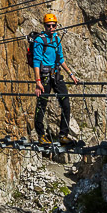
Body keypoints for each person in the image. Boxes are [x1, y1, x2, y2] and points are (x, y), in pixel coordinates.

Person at [33, 12, 80, 144]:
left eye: (53, 25)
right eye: (48, 26)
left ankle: (63, 135)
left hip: (56, 75)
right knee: (42, 105)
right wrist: (38, 82)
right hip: (44, 77)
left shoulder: (57, 39)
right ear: (45, 26)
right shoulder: (39, 40)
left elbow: (60, 59)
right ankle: (41, 135)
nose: (51, 28)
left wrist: (71, 74)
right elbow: (36, 61)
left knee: (66, 103)